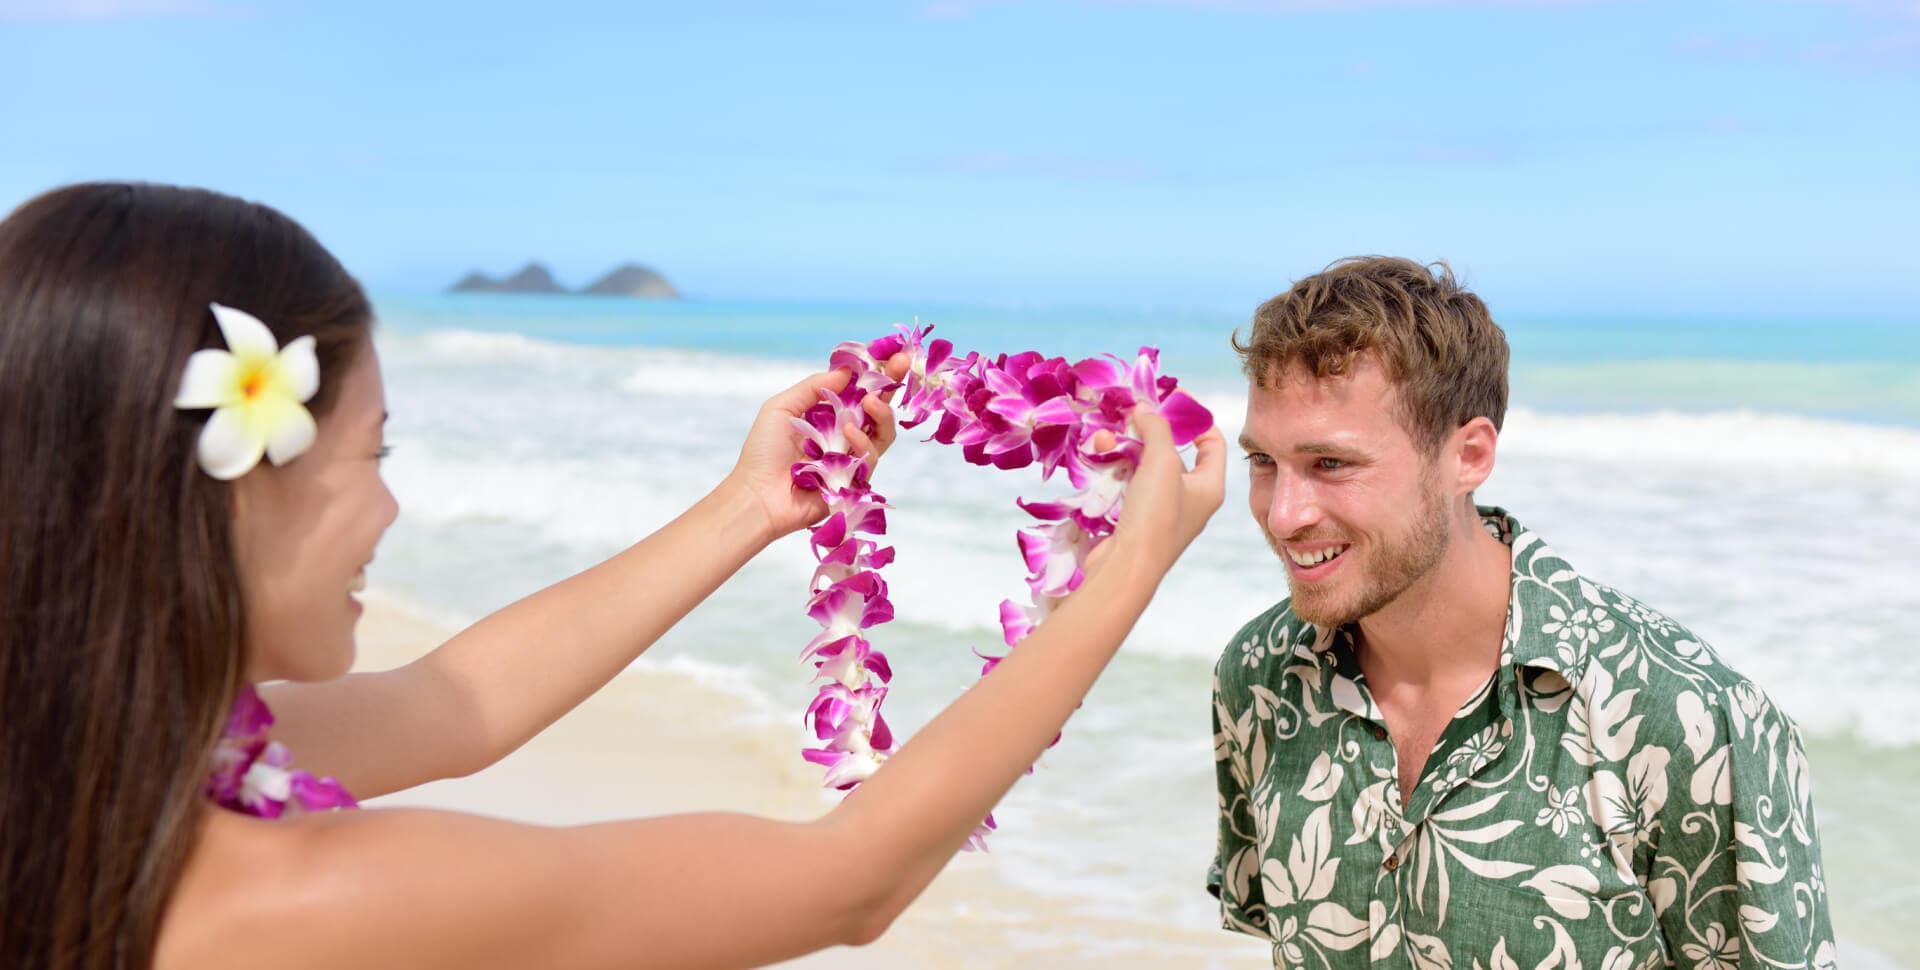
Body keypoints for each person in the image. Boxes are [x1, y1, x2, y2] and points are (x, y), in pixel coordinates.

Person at [0, 181, 1227, 970]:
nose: (390, 505)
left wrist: (755, 506)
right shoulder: (293, 907)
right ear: (235, 482)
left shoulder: (93, 773)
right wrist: (1121, 578)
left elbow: (451, 705)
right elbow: (845, 883)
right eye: (375, 453)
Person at [1207, 257, 1834, 968]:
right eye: (1263, 461)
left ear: (1468, 456)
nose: (1283, 515)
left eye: (1331, 464)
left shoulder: (1688, 717)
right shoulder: (1257, 678)